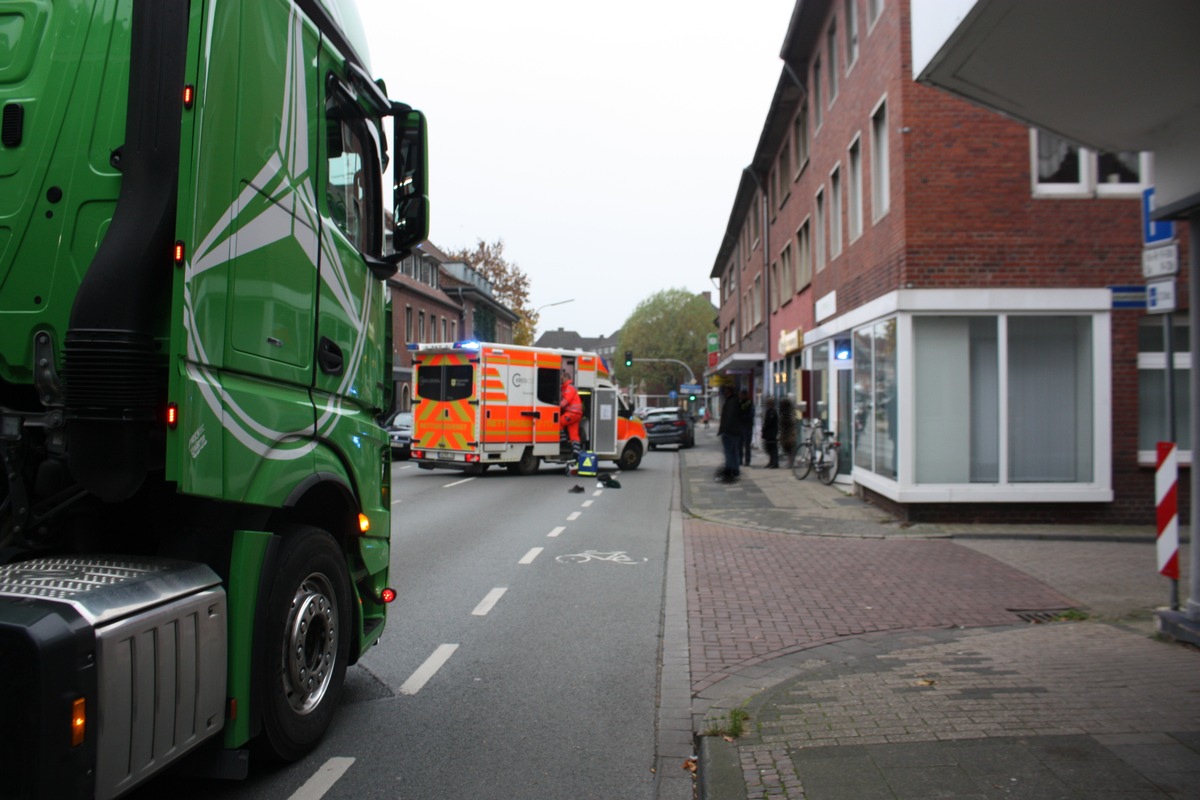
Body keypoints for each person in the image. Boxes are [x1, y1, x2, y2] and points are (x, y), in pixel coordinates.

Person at [717, 385, 741, 482]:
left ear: (729, 392)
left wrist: (724, 430)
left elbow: (729, 418)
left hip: (730, 432)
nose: (724, 394)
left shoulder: (731, 403)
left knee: (729, 453)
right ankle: (735, 470)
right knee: (734, 452)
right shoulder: (735, 401)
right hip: (735, 431)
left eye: (725, 391)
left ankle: (730, 471)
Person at [560, 371, 584, 465]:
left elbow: (566, 400)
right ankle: (576, 453)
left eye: (562, 377)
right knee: (574, 435)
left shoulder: (569, 387)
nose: (561, 379)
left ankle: (563, 441)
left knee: (559, 422)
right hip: (576, 414)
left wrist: (556, 407)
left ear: (566, 377)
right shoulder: (568, 387)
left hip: (572, 413)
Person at [779, 397, 797, 468]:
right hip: (787, 432)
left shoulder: (786, 413)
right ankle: (790, 461)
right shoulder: (789, 412)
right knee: (789, 448)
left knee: (788, 448)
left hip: (787, 433)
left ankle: (790, 462)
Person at [738, 389, 755, 466]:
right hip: (740, 426)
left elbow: (751, 415)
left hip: (747, 426)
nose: (740, 396)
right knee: (739, 444)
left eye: (742, 395)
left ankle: (747, 460)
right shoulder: (739, 403)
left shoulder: (749, 403)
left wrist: (742, 417)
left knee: (747, 445)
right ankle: (740, 460)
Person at [762, 396, 779, 468]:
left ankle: (775, 462)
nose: (768, 404)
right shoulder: (768, 411)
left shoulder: (773, 412)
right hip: (768, 432)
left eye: (769, 403)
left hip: (772, 432)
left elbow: (769, 422)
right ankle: (771, 461)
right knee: (769, 447)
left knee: (773, 447)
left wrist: (765, 429)